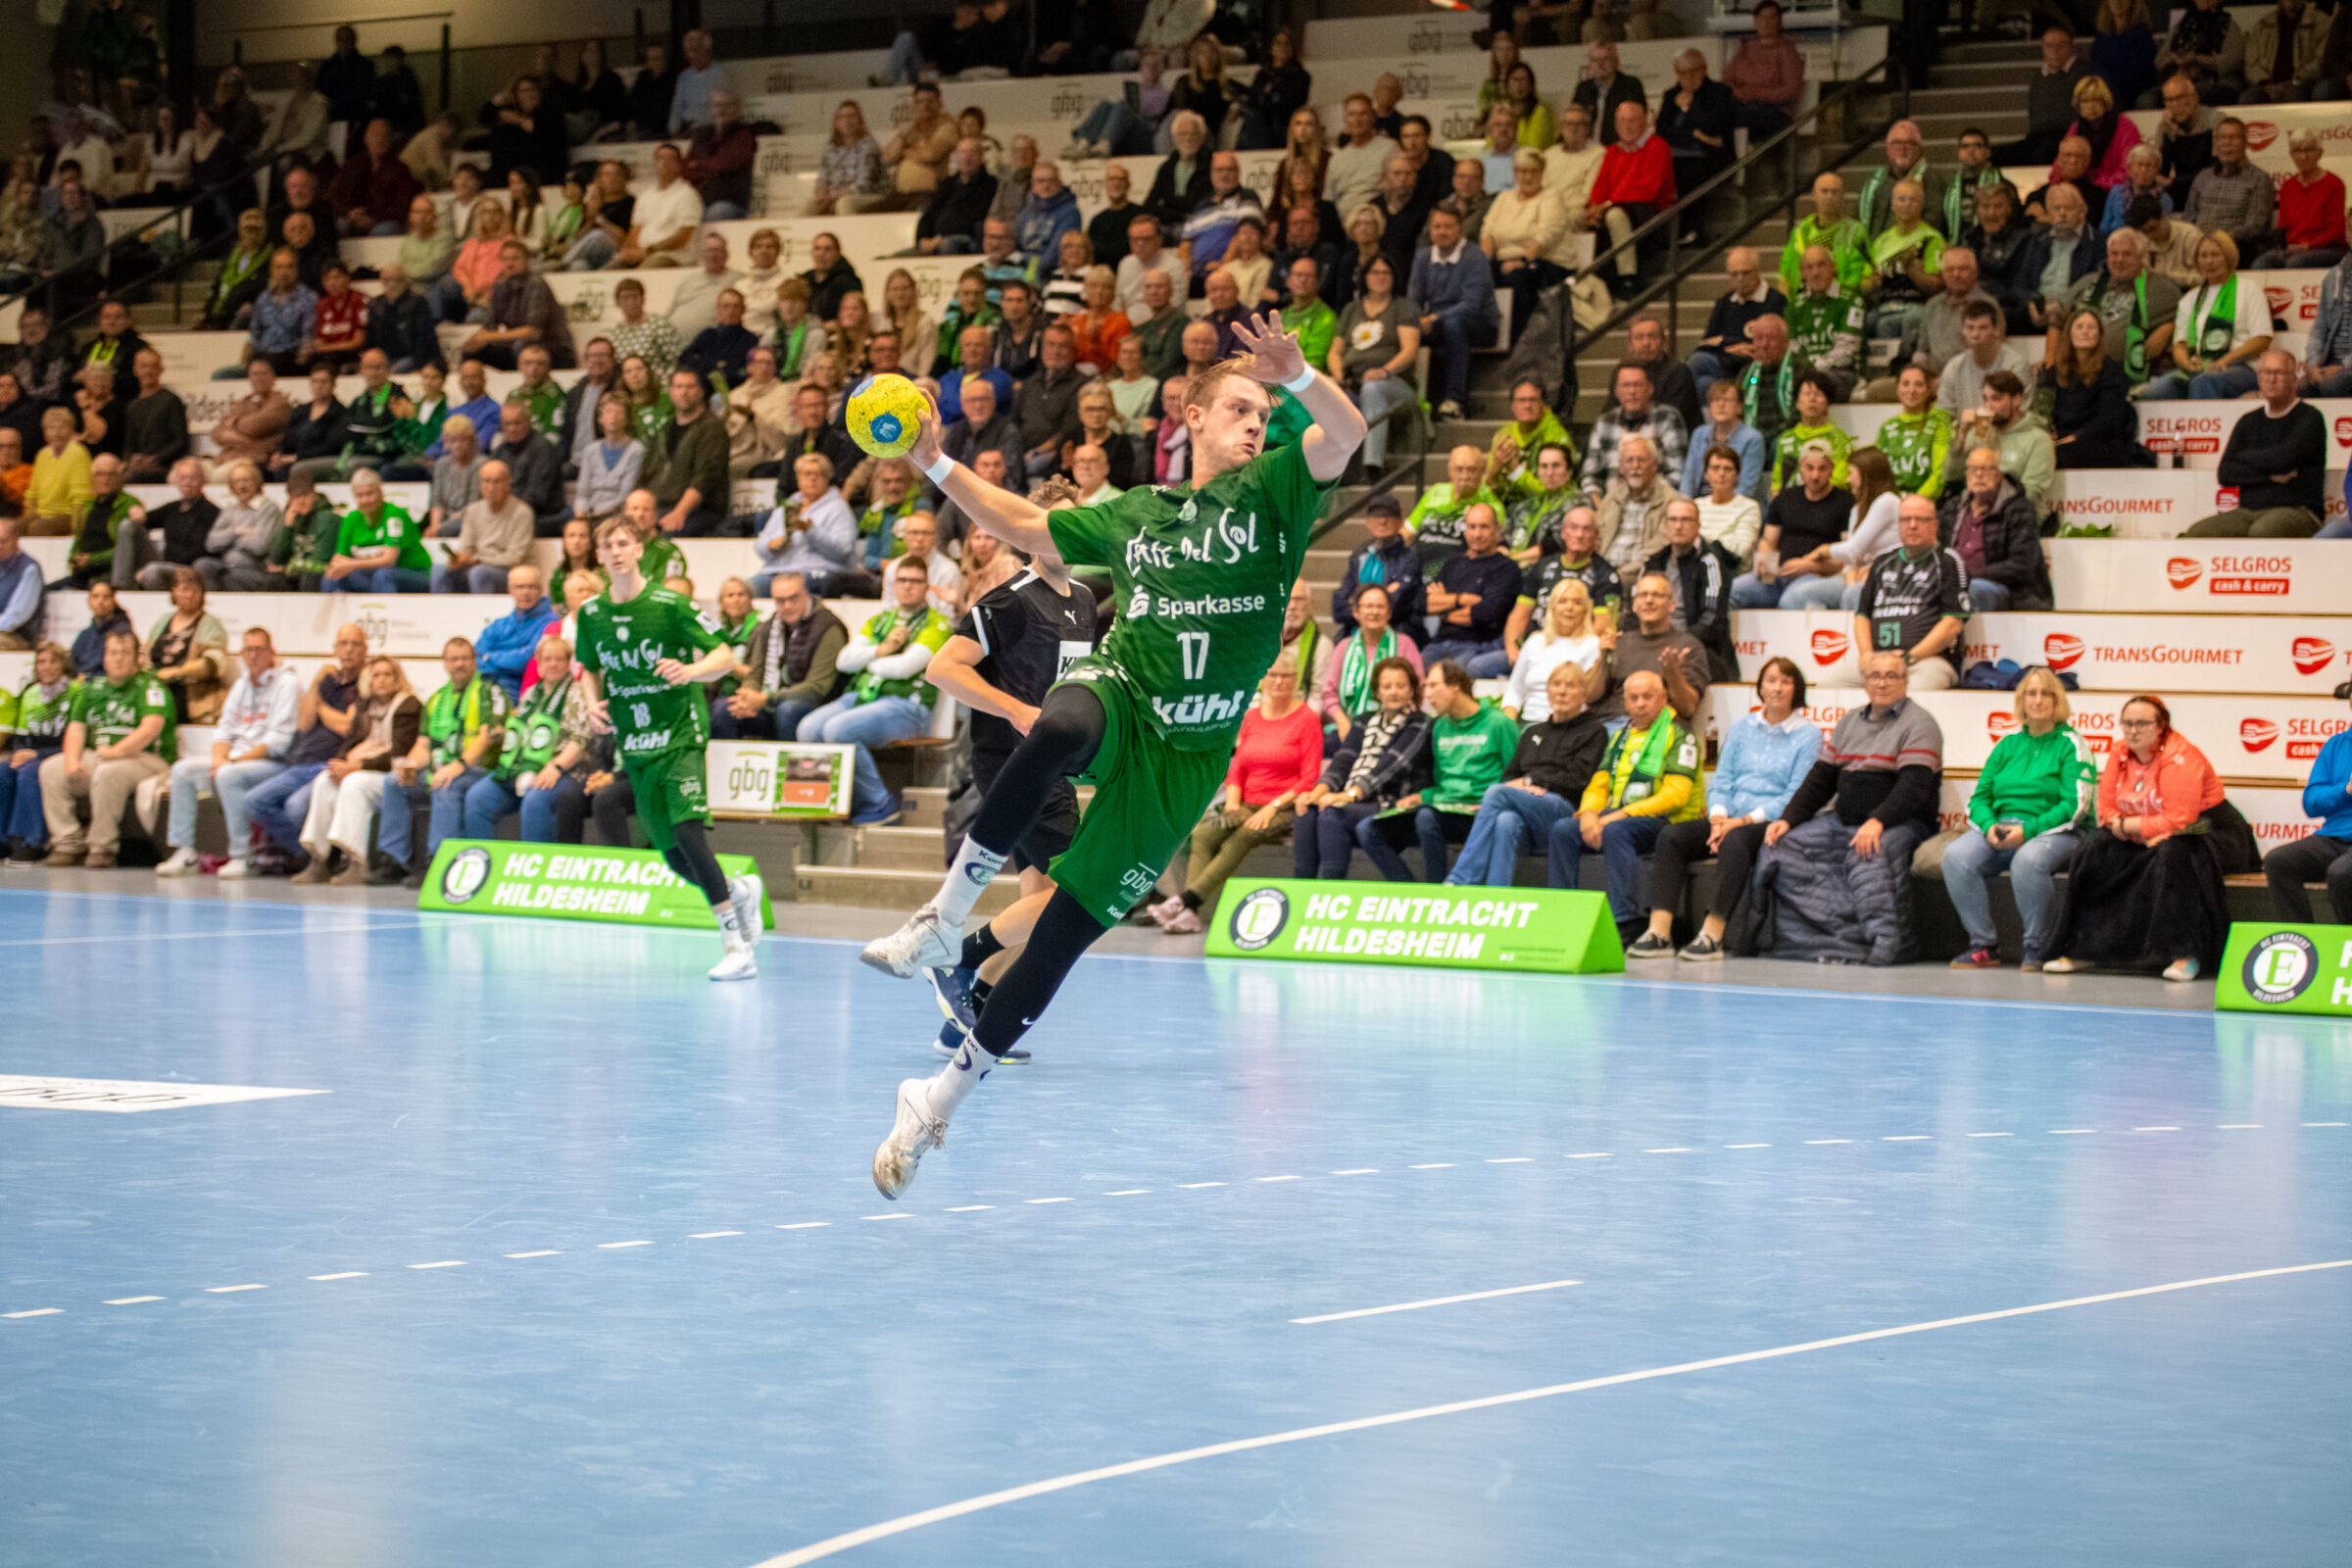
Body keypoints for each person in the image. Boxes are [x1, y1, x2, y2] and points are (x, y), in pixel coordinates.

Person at [858, 313, 1366, 1197]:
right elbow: (1028, 523)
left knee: (1062, 937)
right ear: (1191, 418)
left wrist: (1296, 376)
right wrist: (935, 462)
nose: (1257, 425)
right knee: (1058, 727)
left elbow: (1347, 433)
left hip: (1189, 751)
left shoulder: (1279, 488)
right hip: (1125, 690)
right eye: (1240, 409)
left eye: (1263, 414)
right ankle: (945, 916)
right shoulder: (1139, 513)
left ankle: (935, 1103)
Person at [1755, 650, 1943, 966]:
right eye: (1875, 676)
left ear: (1905, 681)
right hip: (1842, 820)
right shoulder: (1849, 722)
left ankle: (1887, 944)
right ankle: (1814, 944)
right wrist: (1788, 819)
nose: (1882, 683)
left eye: (1891, 676)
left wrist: (1878, 821)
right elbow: (1821, 779)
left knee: (1867, 851)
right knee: (1786, 845)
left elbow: (1914, 788)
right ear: (1864, 681)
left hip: (1903, 823)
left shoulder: (1921, 723)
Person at [2044, 695, 2245, 982]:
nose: (2133, 730)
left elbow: (2180, 819)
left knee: (2173, 853)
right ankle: (2085, 949)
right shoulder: (2119, 752)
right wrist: (2124, 826)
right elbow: (2106, 809)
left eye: (2142, 723)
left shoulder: (2181, 756)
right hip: (2143, 830)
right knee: (2096, 847)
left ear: (2161, 726)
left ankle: (2185, 954)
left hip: (2208, 833)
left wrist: (2131, 826)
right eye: (2127, 723)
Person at [1632, 656, 1820, 961]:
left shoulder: (1808, 735)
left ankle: (1712, 935)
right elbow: (1723, 780)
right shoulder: (1743, 727)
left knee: (1736, 840)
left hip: (1771, 822)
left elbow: (1794, 795)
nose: (1777, 688)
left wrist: (1741, 821)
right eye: (1771, 680)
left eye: (1786, 682)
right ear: (1760, 687)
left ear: (1796, 689)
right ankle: (1659, 932)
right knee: (1672, 836)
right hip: (1728, 818)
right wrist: (1718, 817)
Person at [1936, 666, 2100, 972]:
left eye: (2046, 694)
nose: (2037, 700)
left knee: (2027, 859)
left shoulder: (2071, 744)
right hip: (2003, 826)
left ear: (2058, 700)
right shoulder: (2007, 744)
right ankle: (1983, 945)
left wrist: (2027, 830)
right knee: (1955, 856)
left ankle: (2037, 946)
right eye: (2031, 694)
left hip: (2059, 831)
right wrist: (1989, 827)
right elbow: (1980, 798)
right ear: (2021, 700)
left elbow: (2075, 806)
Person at [796, 555, 954, 827]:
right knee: (808, 728)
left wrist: (869, 659)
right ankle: (830, 803)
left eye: (915, 581)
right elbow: (844, 661)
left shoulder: (937, 624)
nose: (908, 586)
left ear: (927, 586)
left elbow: (904, 668)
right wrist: (883, 649)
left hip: (907, 705)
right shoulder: (881, 621)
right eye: (902, 580)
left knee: (839, 730)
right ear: (893, 585)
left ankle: (879, 803)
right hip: (864, 698)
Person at [1552, 668, 1704, 932]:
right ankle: (1561, 913)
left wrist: (1617, 816)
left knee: (1615, 830)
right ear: (1625, 702)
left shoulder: (1679, 735)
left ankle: (1624, 920)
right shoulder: (1621, 736)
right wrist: (1588, 814)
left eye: (1648, 696)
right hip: (1623, 816)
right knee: (1563, 830)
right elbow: (1599, 783)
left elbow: (1675, 796)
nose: (1640, 703)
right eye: (1634, 698)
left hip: (1669, 821)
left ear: (1664, 698)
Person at [155, 626, 299, 876]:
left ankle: (242, 855)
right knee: (182, 770)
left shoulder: (288, 684)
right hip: (235, 761)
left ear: (271, 652)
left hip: (273, 763)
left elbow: (279, 742)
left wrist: (231, 762)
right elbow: (223, 730)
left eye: (259, 649)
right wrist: (220, 758)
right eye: (248, 649)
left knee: (228, 775)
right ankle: (185, 851)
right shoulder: (241, 684)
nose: (253, 655)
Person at [37, 627, 174, 869]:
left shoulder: (150, 686)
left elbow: (150, 727)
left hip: (147, 759)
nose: (118, 658)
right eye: (113, 653)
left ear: (136, 657)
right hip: (102, 755)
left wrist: (116, 752)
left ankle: (102, 847)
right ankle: (67, 841)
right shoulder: (92, 688)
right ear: (104, 657)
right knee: (51, 769)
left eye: (125, 653)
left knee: (108, 772)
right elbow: (76, 728)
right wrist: (72, 761)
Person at [291, 656, 422, 886]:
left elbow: (399, 753)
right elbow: (350, 742)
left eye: (388, 674)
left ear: (397, 679)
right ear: (367, 680)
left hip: (389, 775)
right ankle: (319, 860)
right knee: (324, 781)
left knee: (355, 783)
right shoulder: (364, 705)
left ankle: (357, 862)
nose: (381, 680)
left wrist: (354, 767)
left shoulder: (408, 705)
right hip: (363, 769)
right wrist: (340, 766)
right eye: (376, 675)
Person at [1295, 657, 1431, 879]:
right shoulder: (1363, 721)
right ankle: (1301, 888)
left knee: (1332, 813)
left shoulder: (1420, 723)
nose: (1393, 692)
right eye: (1387, 686)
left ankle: (1329, 889)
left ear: (1412, 690)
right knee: (1306, 811)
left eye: (1400, 686)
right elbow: (1343, 761)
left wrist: (1347, 796)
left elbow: (1389, 767)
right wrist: (1317, 793)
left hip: (1392, 803)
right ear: (1377, 691)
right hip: (1356, 801)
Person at [2181, 352, 2326, 538]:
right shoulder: (2248, 421)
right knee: (2197, 533)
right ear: (2259, 378)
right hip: (2248, 511)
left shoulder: (2310, 417)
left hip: (2299, 510)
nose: (2272, 379)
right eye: (2267, 372)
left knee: (2262, 531)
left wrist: (2244, 457)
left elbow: (2283, 458)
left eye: (2279, 373)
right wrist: (2270, 475)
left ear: (2293, 378)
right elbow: (2225, 474)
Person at [1852, 494, 1967, 691]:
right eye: (1906, 519)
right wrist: (1866, 655)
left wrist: (1909, 657)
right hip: (1877, 660)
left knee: (1914, 690)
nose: (1912, 525)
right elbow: (1862, 616)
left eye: (1920, 519)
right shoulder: (1882, 562)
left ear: (1935, 525)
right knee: (1831, 684)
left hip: (1927, 660)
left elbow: (1952, 624)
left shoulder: (1948, 561)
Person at [716, 574, 848, 743]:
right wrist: (747, 697)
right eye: (780, 600)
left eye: (793, 598)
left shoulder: (828, 627)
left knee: (788, 709)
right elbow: (755, 673)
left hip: (815, 704)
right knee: (724, 709)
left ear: (806, 594)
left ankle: (791, 761)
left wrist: (766, 699)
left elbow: (817, 688)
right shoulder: (769, 626)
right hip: (771, 702)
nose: (787, 605)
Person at [2265, 687, 2352, 925]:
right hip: (2332, 837)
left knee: (2341, 872)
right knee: (2278, 861)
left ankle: (2347, 941)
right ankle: (2300, 938)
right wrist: (2345, 789)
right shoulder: (2335, 745)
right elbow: (2311, 804)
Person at [1328, 253, 1421, 467]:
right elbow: (1335, 352)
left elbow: (1410, 350)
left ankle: (1372, 465)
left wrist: (1384, 371)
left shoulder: (1403, 307)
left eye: (1386, 273)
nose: (1381, 277)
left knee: (1372, 388)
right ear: (1365, 277)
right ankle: (1325, 468)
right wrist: (1338, 376)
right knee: (1323, 390)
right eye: (1375, 272)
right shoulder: (1351, 309)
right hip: (1353, 382)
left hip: (1394, 385)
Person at [1732, 446, 1850, 610]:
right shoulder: (1785, 498)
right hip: (1777, 576)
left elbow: (1846, 556)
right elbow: (1768, 540)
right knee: (1732, 590)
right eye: (1809, 468)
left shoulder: (1845, 502)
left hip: (1817, 577)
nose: (1815, 475)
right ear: (1800, 468)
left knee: (1792, 600)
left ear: (1831, 469)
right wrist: (1767, 563)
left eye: (1822, 469)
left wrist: (1811, 566)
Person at [1641, 497, 1741, 680]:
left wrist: (1678, 642)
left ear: (1698, 526)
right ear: (1665, 525)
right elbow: (1638, 608)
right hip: (1654, 642)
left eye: (1686, 520)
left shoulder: (1709, 563)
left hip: (1699, 649)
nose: (1678, 526)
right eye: (1673, 520)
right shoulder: (1654, 562)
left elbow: (1712, 619)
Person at [1421, 505, 1523, 677]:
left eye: (1484, 527)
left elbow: (1487, 613)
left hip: (1475, 645)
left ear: (1497, 530)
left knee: (1449, 682)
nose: (1477, 534)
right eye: (1472, 527)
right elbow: (1424, 605)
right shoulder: (1451, 565)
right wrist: (1462, 599)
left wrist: (1443, 612)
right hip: (1437, 644)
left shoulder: (1507, 568)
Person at [2046, 308, 2149, 471]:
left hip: (2101, 442)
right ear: (2069, 333)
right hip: (2065, 439)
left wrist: (2075, 437)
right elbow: (2046, 413)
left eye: (2091, 327)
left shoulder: (2112, 370)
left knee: (2058, 454)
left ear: (2099, 334)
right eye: (2079, 326)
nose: (2085, 331)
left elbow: (2108, 419)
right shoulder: (2055, 373)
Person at [0, 641, 74, 861]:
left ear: (63, 665)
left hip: (62, 752)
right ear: (35, 667)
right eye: (41, 662)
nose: (47, 666)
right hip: (32, 753)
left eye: (53, 661)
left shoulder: (75, 692)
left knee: (30, 771)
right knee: (4, 770)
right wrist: (19, 754)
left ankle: (30, 841)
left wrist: (38, 755)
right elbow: (22, 737)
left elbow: (76, 736)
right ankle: (2, 840)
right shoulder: (30, 694)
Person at [1688, 248, 1787, 405]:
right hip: (1726, 366)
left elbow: (1775, 344)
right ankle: (1721, 411)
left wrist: (1724, 342)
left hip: (1755, 370)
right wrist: (1732, 346)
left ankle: (1729, 406)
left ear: (1757, 271)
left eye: (1745, 273)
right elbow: (1706, 343)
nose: (1740, 279)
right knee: (1698, 364)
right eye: (1734, 274)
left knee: (1706, 382)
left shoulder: (1775, 301)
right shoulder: (1724, 303)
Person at [323, 467, 431, 593]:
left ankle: (385, 606)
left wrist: (352, 564)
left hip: (414, 572)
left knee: (383, 575)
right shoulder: (351, 518)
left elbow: (389, 560)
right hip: (372, 572)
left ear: (380, 492)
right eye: (359, 495)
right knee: (333, 577)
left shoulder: (394, 516)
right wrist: (336, 568)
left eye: (370, 494)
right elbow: (340, 557)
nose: (365, 500)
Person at [2254, 131, 2346, 270]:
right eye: (2297, 151)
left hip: (2327, 248)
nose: (2303, 156)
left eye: (2309, 150)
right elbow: (2283, 228)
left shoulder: (2334, 184)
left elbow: (2335, 230)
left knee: (2295, 263)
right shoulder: (2288, 187)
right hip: (2294, 248)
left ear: (2319, 153)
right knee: (2262, 263)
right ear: (2291, 155)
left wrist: (2307, 246)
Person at [2182, 120, 2273, 261]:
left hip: (2237, 249)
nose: (2227, 143)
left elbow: (2256, 226)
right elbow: (2189, 217)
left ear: (2245, 143)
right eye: (2222, 138)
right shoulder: (2203, 177)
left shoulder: (2259, 179)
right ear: (2215, 144)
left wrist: (2220, 241)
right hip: (2199, 248)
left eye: (2233, 138)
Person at [470, 566, 558, 702]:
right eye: (520, 587)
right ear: (510, 590)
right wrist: (500, 661)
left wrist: (489, 657)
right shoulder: (500, 624)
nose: (526, 592)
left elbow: (527, 659)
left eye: (531, 587)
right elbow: (476, 654)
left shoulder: (550, 622)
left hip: (526, 692)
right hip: (490, 685)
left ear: (540, 590)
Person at [1726, 0, 1805, 138]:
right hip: (1741, 106)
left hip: (1772, 112)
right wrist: (1738, 93)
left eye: (1772, 17)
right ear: (1755, 22)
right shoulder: (1745, 48)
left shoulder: (1787, 51)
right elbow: (1727, 78)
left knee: (1740, 121)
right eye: (1762, 17)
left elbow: (1789, 91)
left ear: (1779, 22)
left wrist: (1753, 93)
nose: (1767, 22)